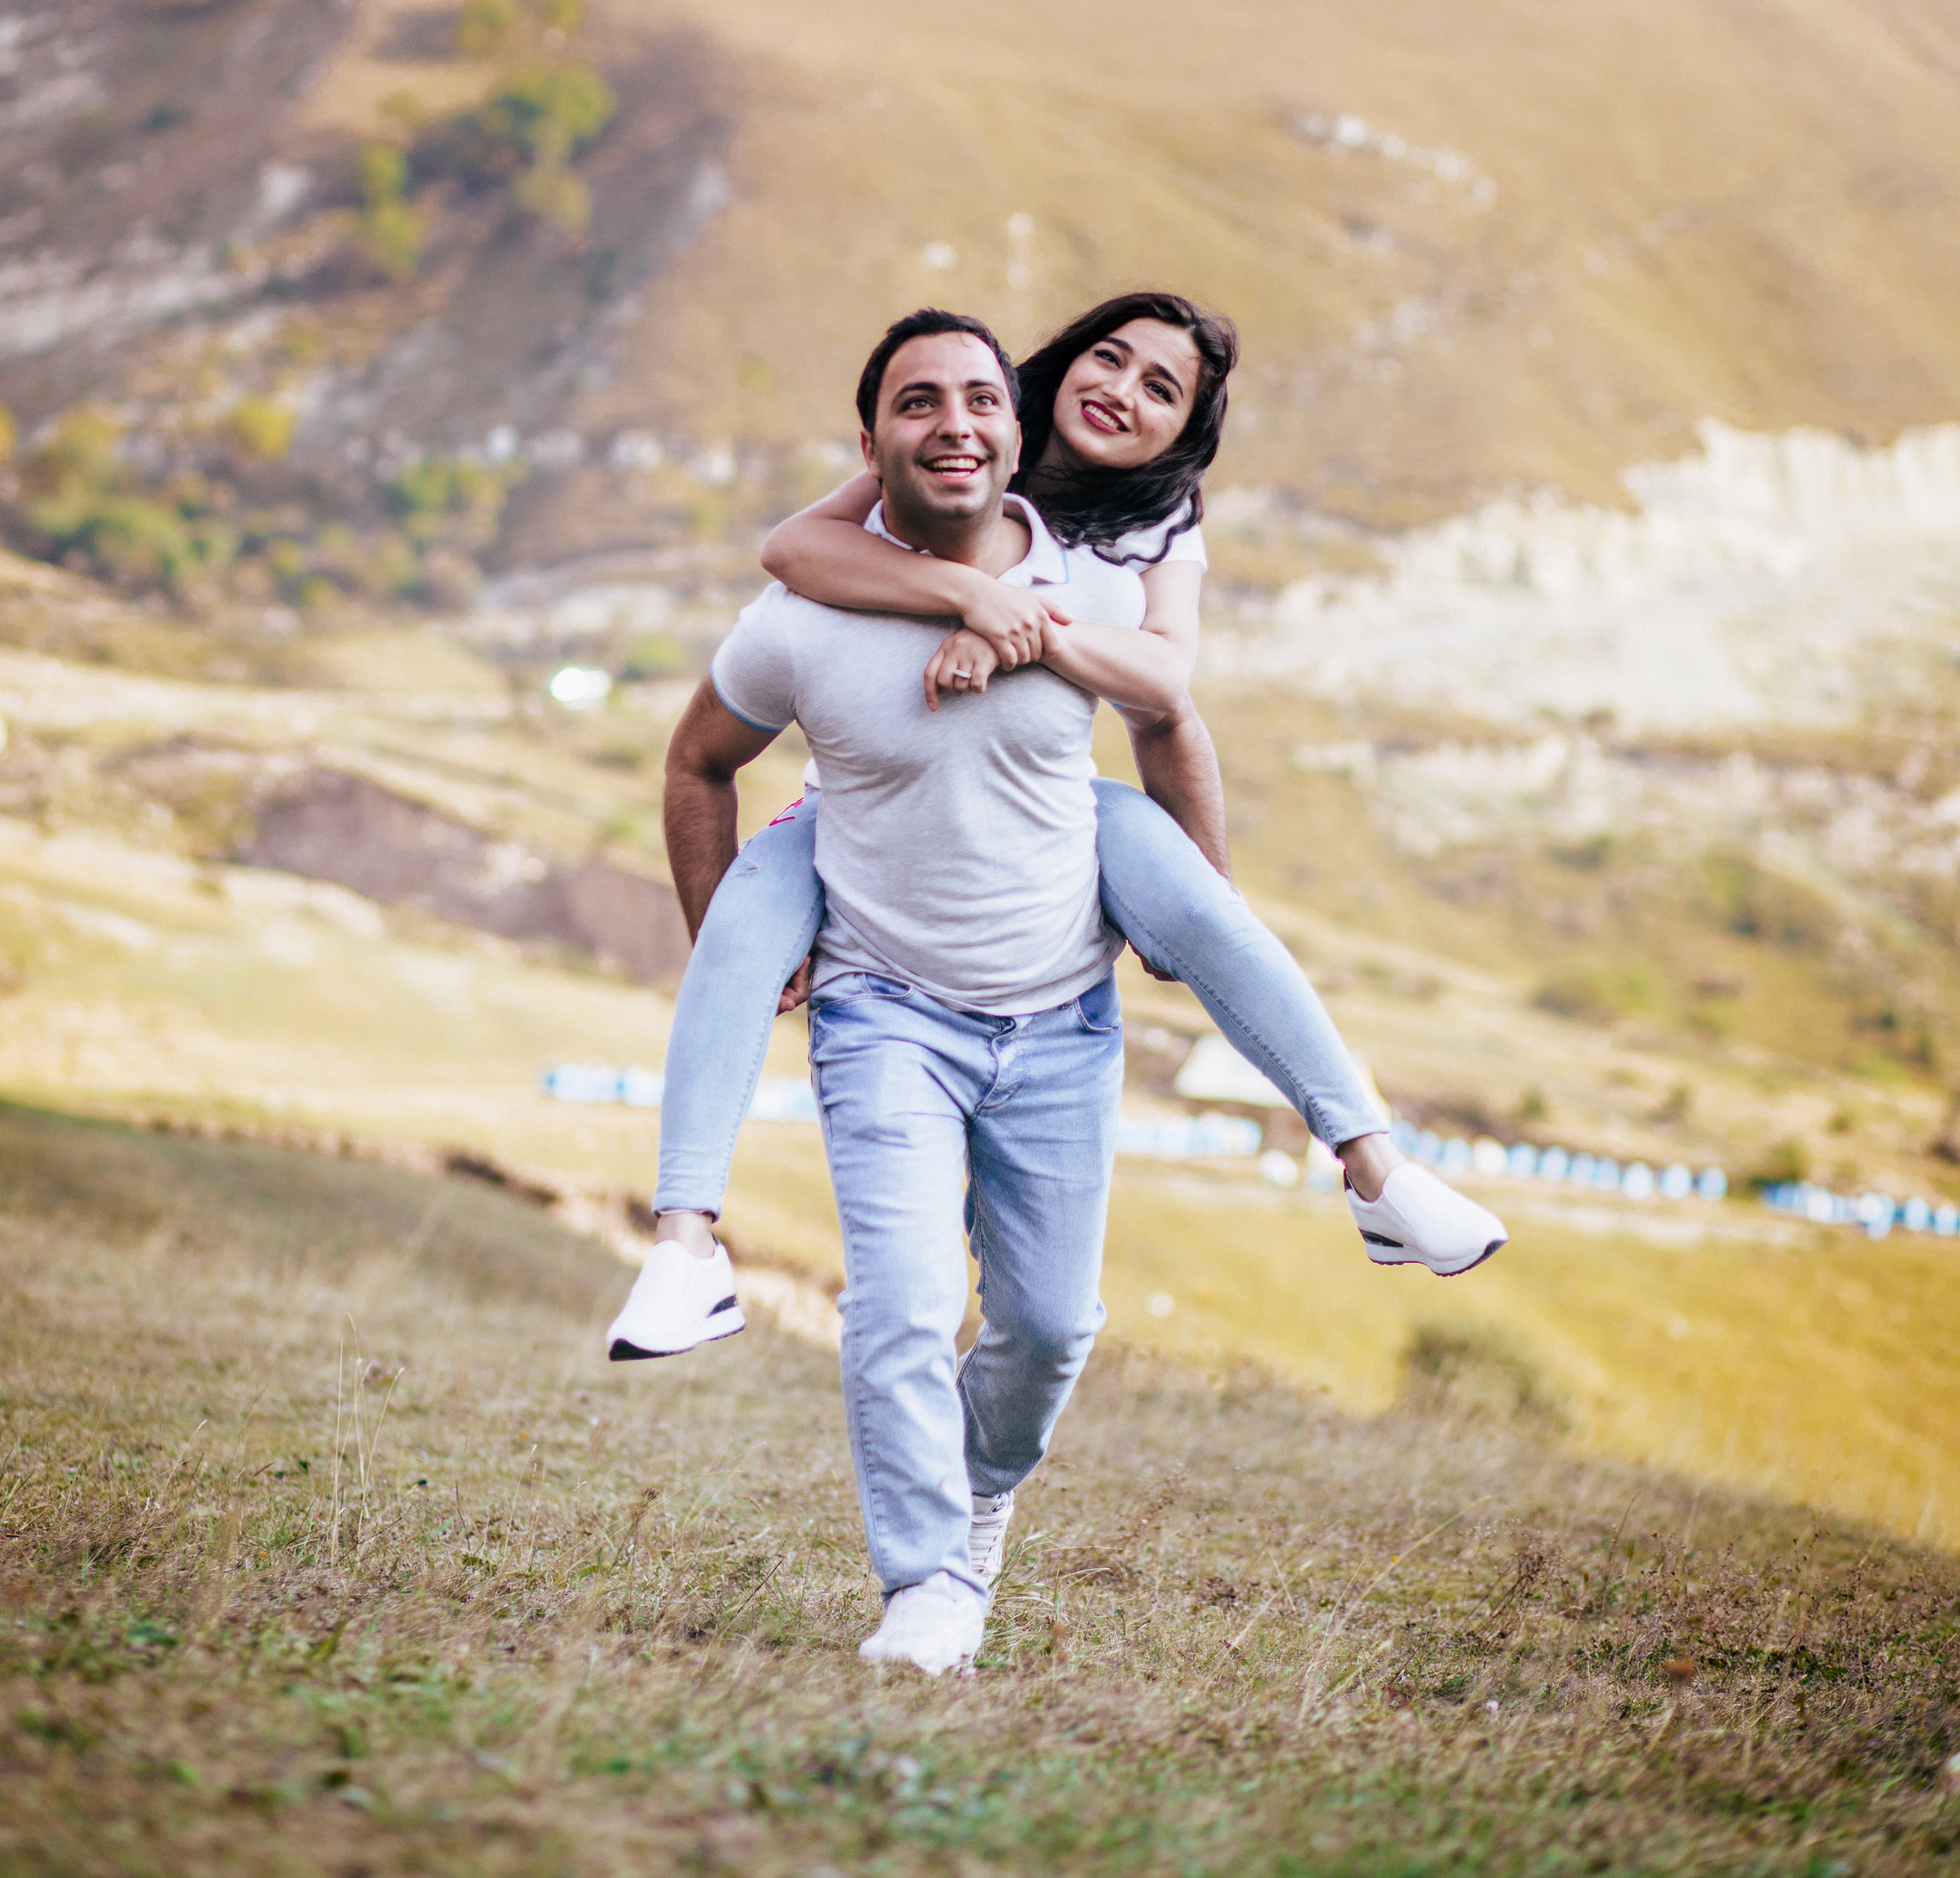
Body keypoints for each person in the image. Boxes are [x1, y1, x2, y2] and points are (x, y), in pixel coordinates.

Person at [611, 292, 1504, 1375]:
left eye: (1159, 387)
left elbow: (1167, 691)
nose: (1120, 391)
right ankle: (684, 1245)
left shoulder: (1166, 522)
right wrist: (967, 595)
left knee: (1204, 905)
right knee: (745, 916)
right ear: (1058, 368)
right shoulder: (975, 430)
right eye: (1108, 358)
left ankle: (1377, 1172)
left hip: (1048, 807)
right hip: (872, 813)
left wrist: (1027, 645)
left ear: (1185, 434)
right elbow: (795, 549)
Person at [647, 311, 1182, 1674]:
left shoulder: (1115, 574)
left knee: (1052, 1328)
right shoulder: (802, 614)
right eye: (918, 402)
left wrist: (1191, 914)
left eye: (980, 401)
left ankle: (981, 1488)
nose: (954, 422)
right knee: (898, 1301)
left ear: (1016, 427)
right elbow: (697, 758)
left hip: (1057, 1010)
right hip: (882, 1003)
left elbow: (1176, 722)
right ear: (871, 437)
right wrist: (743, 947)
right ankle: (928, 1587)